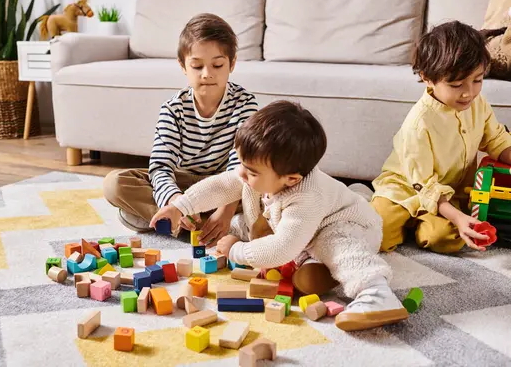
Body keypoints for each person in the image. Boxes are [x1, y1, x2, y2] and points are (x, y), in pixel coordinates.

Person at [150, 101, 409, 332]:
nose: (240, 173)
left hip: (350, 225)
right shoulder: (256, 175)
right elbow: (221, 185)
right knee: (246, 227)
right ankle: (316, 264)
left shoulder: (307, 196)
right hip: (303, 229)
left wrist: (238, 251)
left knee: (329, 242)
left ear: (291, 180)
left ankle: (376, 293)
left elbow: (282, 248)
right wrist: (179, 206)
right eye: (240, 163)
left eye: (250, 171)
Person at [104, 13, 257, 246]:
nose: (207, 74)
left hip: (225, 187)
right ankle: (189, 220)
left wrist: (225, 211)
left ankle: (171, 221)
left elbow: (241, 168)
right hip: (184, 185)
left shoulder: (245, 105)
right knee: (114, 184)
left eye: (217, 65)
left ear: (232, 64)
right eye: (197, 66)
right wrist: (176, 201)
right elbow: (160, 167)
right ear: (183, 66)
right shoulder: (173, 109)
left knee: (267, 190)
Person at [372, 21, 511, 253]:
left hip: (445, 194)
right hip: (405, 189)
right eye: (456, 84)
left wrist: (457, 217)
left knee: (448, 239)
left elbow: (497, 140)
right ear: (427, 78)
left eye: (477, 80)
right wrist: (456, 216)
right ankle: (364, 199)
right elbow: (423, 184)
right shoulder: (419, 124)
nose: (469, 92)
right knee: (377, 233)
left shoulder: (478, 104)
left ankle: (419, 224)